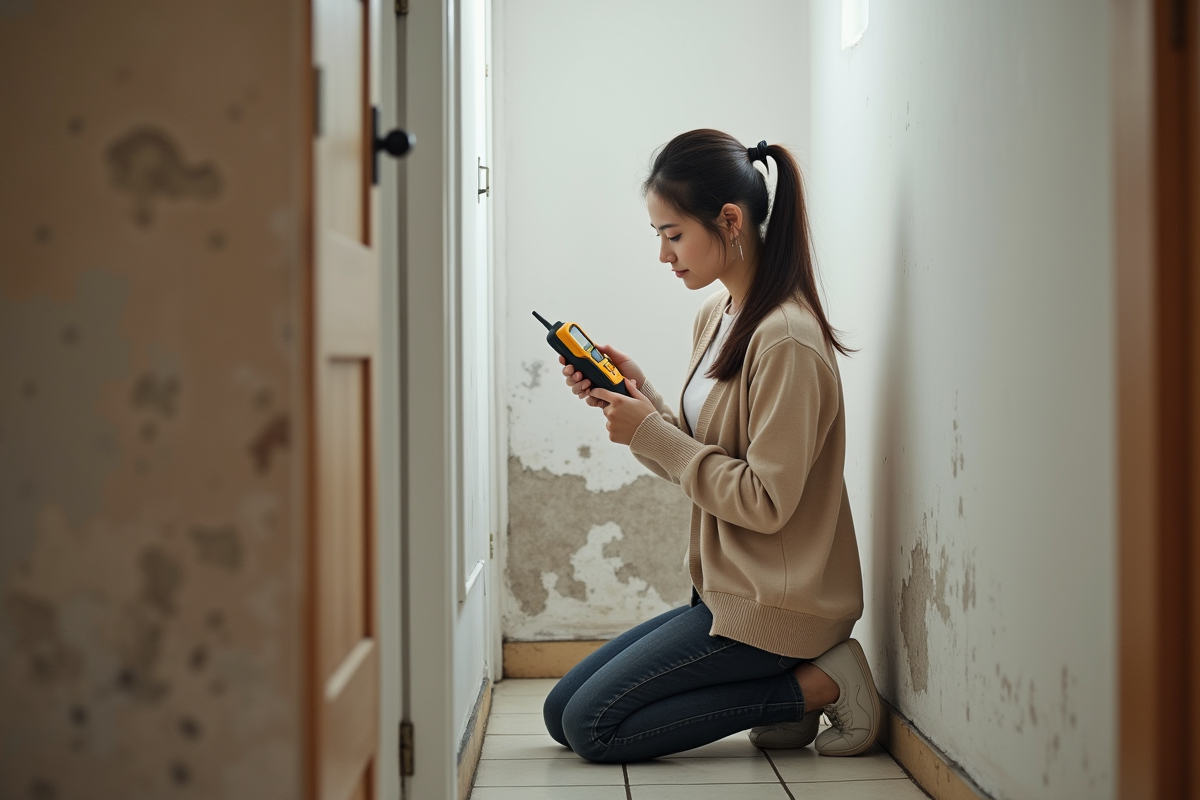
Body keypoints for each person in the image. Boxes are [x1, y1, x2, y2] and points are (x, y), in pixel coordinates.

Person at [541, 129, 880, 763]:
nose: (665, 255)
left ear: (730, 221)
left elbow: (763, 500)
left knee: (595, 728)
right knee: (562, 713)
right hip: (725, 591)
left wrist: (650, 432)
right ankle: (786, 689)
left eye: (673, 235)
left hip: (779, 602)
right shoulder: (719, 315)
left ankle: (816, 683)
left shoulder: (786, 340)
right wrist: (638, 399)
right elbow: (704, 454)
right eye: (658, 237)